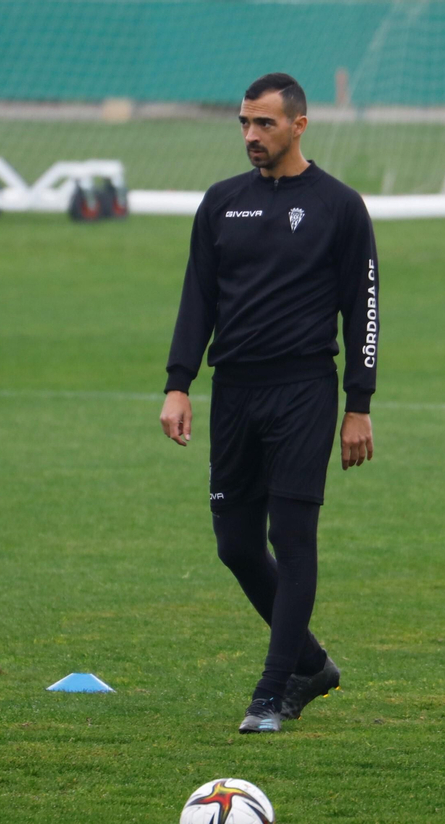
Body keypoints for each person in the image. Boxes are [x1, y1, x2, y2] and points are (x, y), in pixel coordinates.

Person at [158, 72, 379, 734]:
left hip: (304, 392)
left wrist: (358, 403)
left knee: (292, 535)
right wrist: (178, 382)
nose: (252, 136)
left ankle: (273, 690)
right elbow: (198, 297)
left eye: (265, 124)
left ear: (299, 125)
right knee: (235, 544)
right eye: (245, 124)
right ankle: (310, 661)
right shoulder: (222, 203)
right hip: (233, 393)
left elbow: (362, 311)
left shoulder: (340, 206)